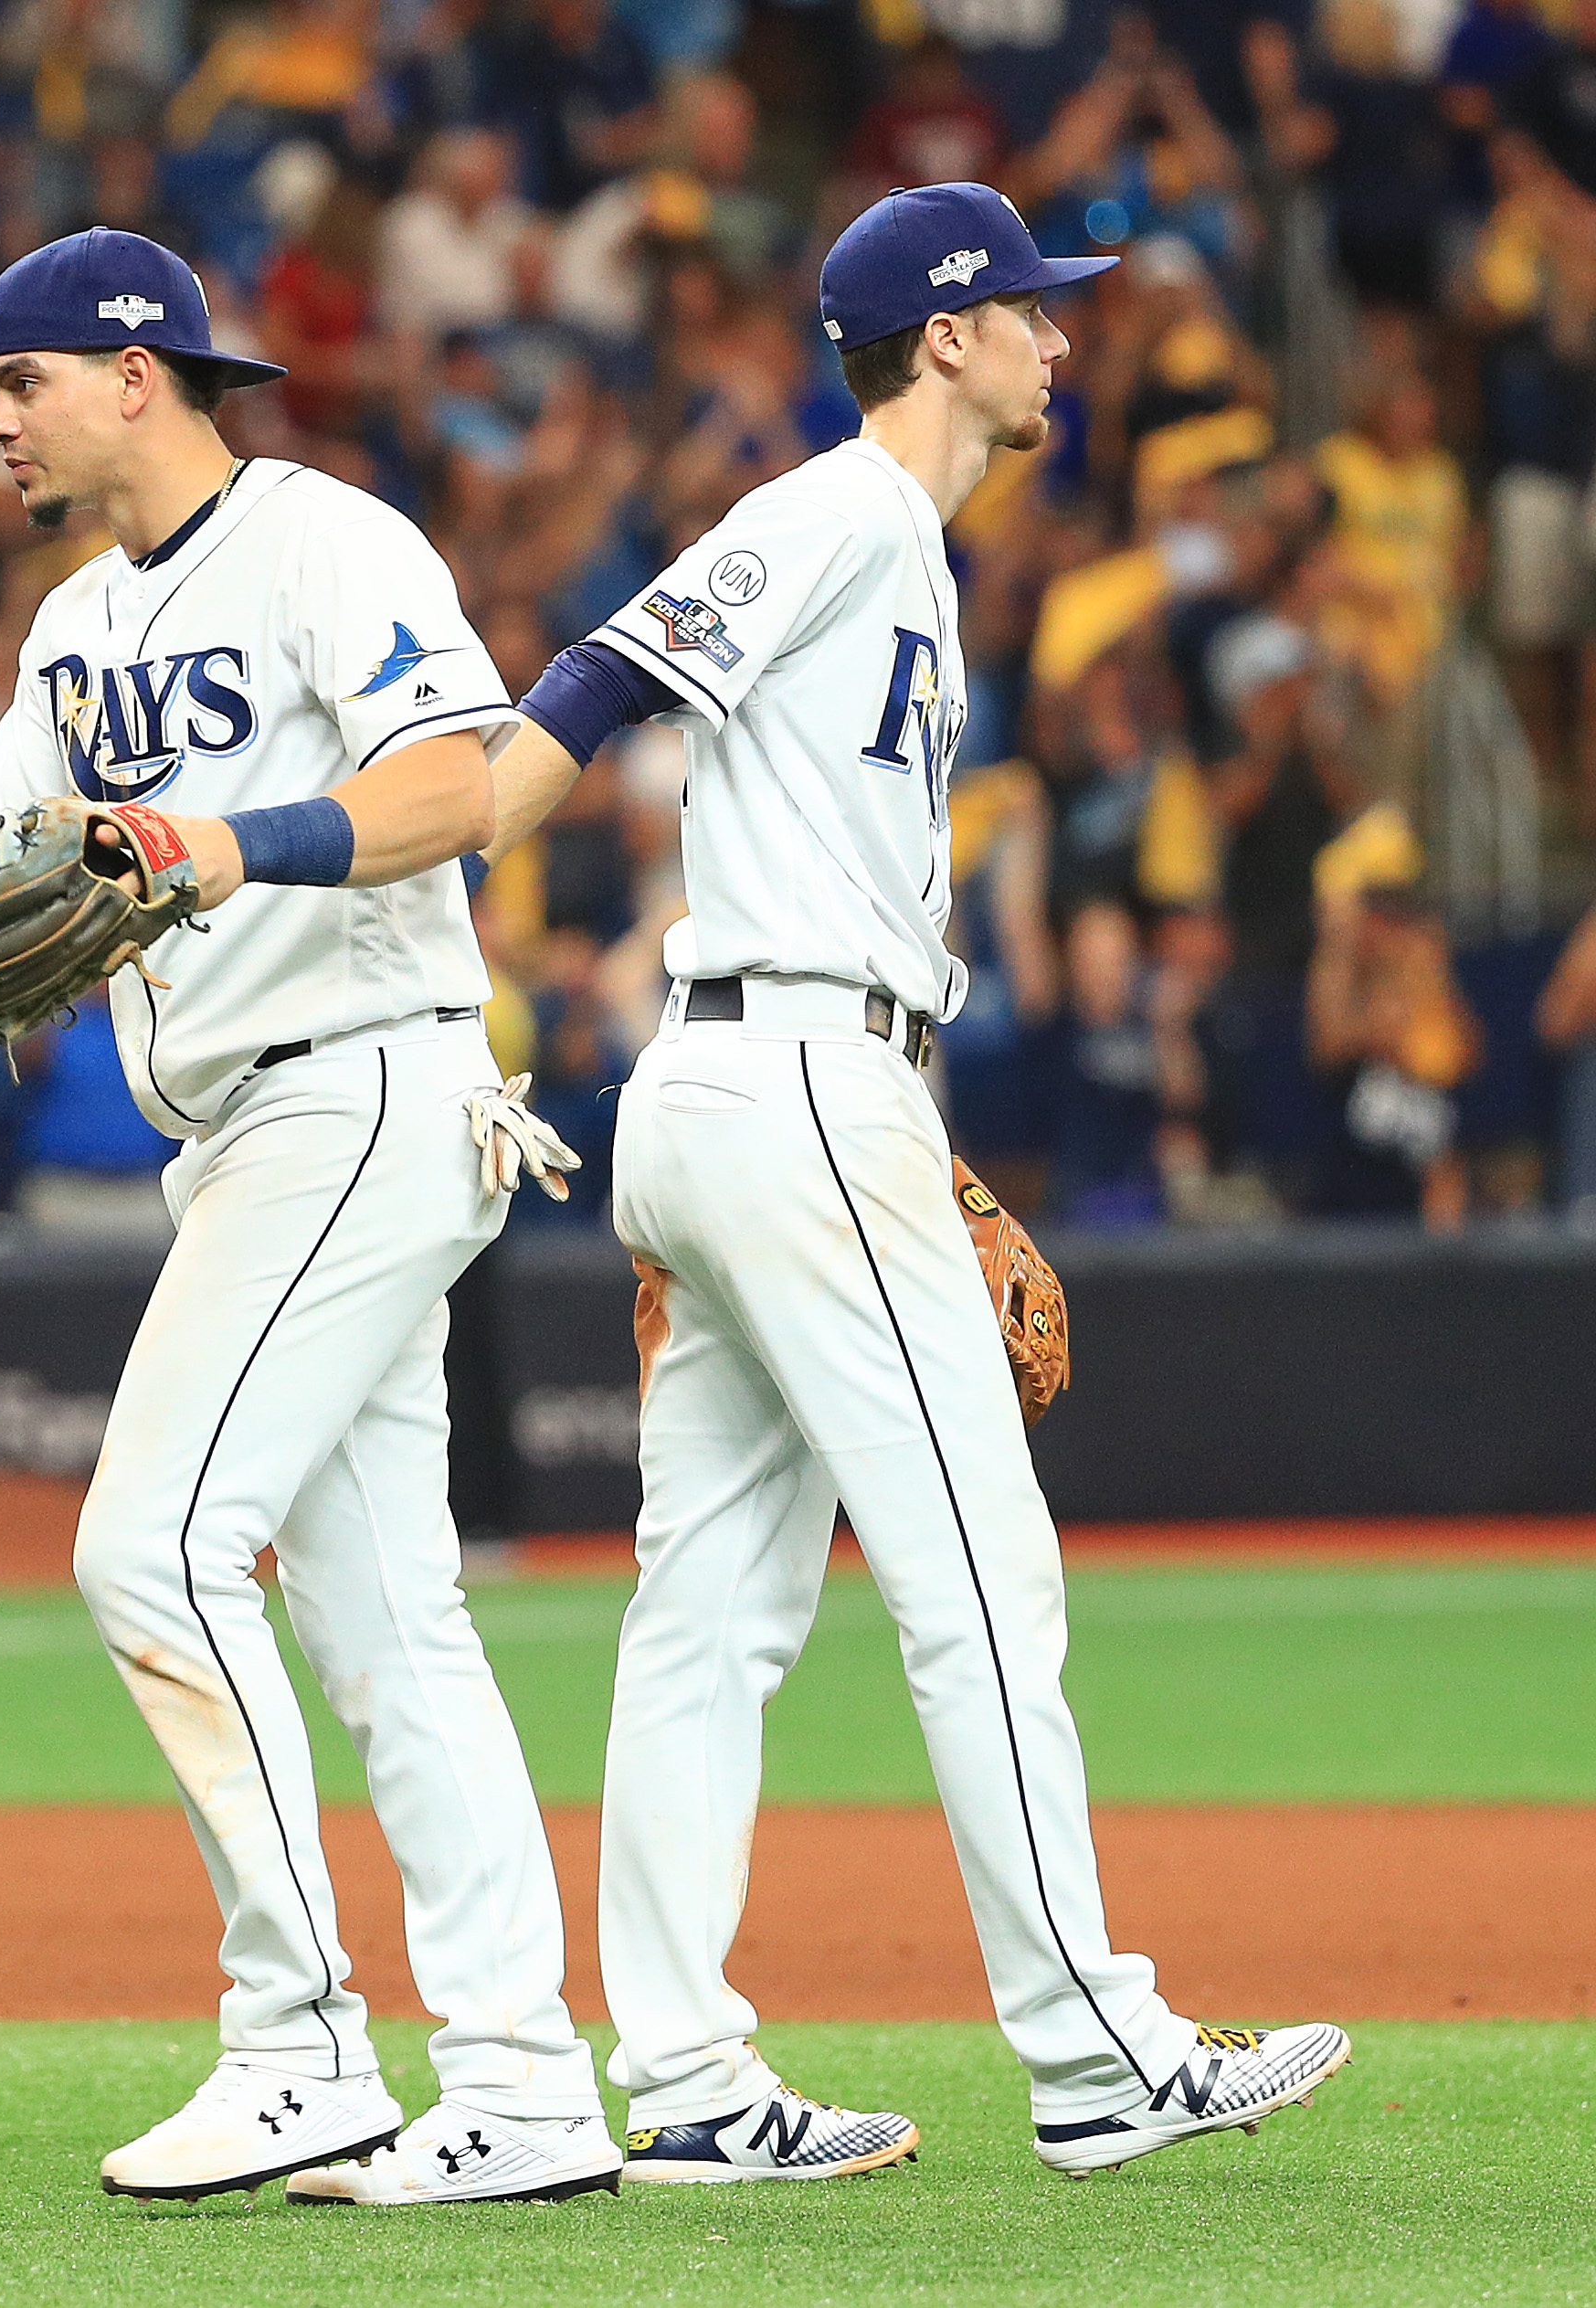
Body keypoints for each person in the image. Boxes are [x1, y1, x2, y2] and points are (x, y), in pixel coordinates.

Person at [0, 228, 618, 2207]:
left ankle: (296, 2046)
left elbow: (457, 789)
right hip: (247, 1130)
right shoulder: (69, 630)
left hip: (365, 1077)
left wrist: (219, 844)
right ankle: (527, 2090)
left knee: (151, 1547)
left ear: (137, 374)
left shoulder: (321, 540)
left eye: (17, 379)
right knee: (391, 1633)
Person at [481, 184, 1350, 2182]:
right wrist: (432, 891)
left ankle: (689, 2083)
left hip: (757, 1078)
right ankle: (1094, 2052)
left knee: (709, 1610)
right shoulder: (838, 509)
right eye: (1031, 309)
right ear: (942, 335)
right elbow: (593, 692)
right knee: (979, 1574)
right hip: (789, 1077)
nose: (1062, 336)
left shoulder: (908, 548)